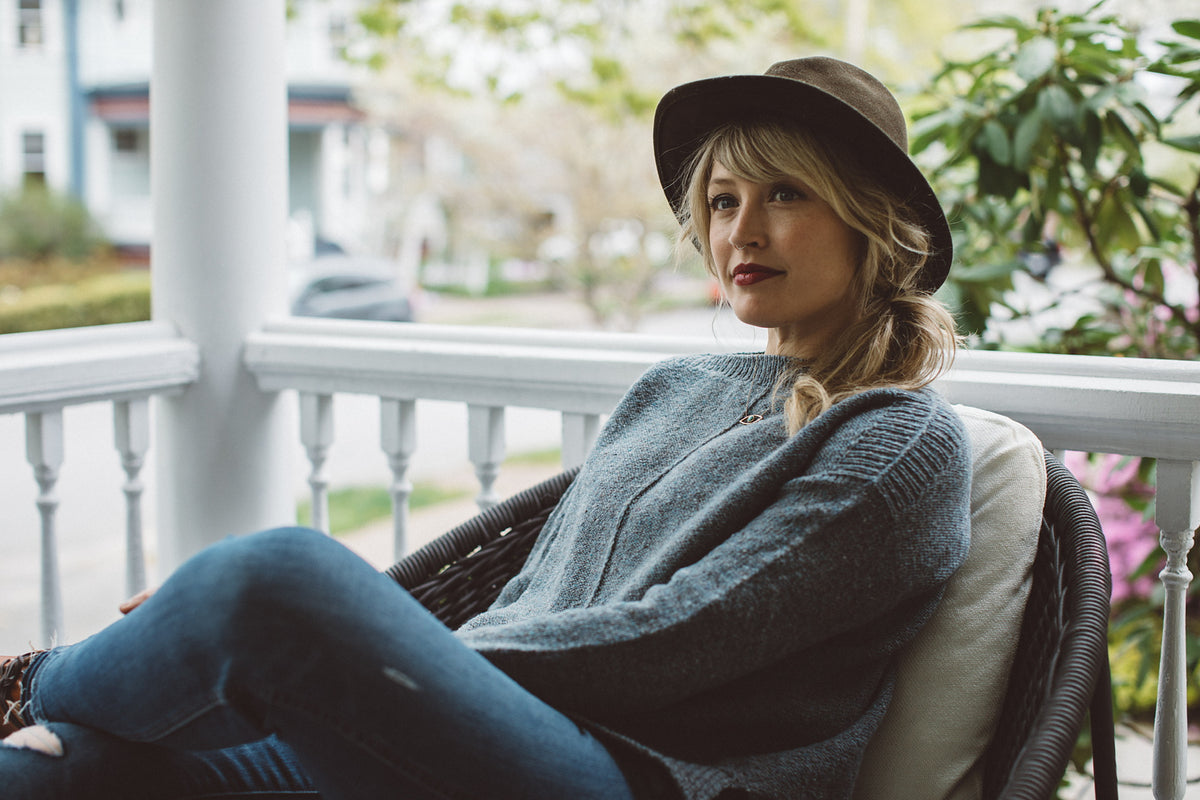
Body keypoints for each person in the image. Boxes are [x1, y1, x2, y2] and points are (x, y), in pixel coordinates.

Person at [0, 56, 970, 800]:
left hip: (639, 774)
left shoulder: (897, 444)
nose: (740, 231)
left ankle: (30, 677)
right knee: (58, 765)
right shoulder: (678, 386)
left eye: (785, 194)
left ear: (870, 220)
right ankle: (51, 707)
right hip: (477, 730)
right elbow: (532, 575)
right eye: (723, 200)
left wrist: (342, 638)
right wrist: (329, 642)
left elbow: (679, 633)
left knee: (275, 577)